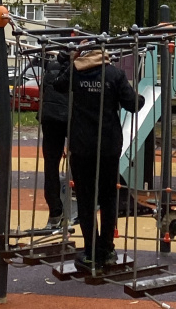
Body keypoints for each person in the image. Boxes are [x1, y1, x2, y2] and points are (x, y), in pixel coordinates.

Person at [55, 44, 144, 272]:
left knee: (86, 199)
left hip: (82, 145)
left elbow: (58, 85)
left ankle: (90, 251)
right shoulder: (114, 74)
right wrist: (140, 97)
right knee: (108, 197)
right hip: (108, 145)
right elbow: (133, 105)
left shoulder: (76, 72)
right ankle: (107, 249)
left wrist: (72, 61)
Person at [39, 53, 69, 229]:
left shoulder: (51, 66)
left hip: (50, 117)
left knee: (51, 164)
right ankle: (79, 206)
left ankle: (55, 210)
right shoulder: (80, 67)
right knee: (80, 162)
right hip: (70, 117)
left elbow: (44, 90)